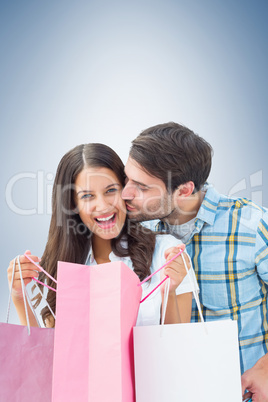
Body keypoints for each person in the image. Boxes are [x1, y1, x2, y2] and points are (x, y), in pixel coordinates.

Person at [121, 122, 268, 402]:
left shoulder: (252, 227)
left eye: (141, 187)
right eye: (127, 179)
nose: (126, 193)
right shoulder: (143, 237)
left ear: (184, 190)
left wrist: (266, 368)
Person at [7, 143, 198, 329]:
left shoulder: (166, 253)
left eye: (111, 190)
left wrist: (169, 292)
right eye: (87, 196)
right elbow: (49, 354)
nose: (104, 206)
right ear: (73, 205)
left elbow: (178, 348)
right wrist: (19, 296)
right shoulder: (65, 264)